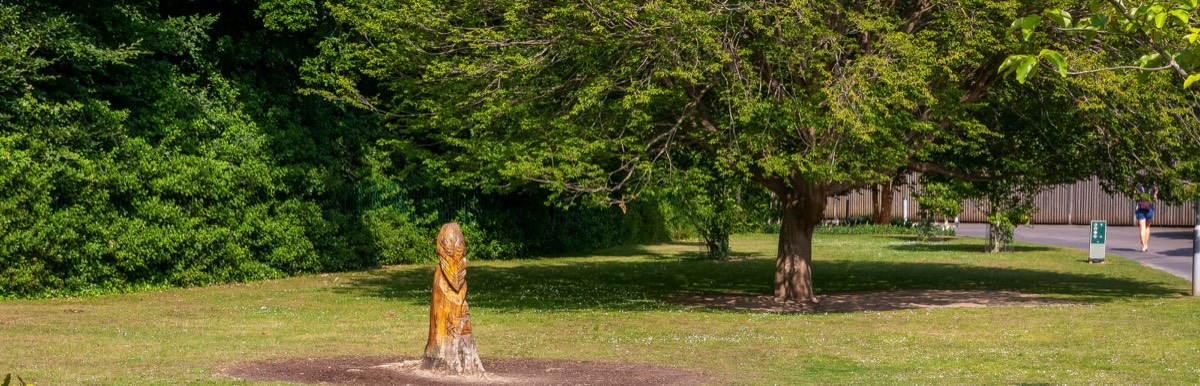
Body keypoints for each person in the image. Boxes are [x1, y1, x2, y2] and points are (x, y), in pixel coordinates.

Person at [1133, 184, 1157, 252]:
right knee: (1147, 227)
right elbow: (1155, 199)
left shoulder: (1138, 187)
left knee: (1142, 228)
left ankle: (1143, 246)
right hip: (1150, 209)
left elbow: (1134, 197)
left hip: (1140, 209)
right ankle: (1146, 244)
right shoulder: (1152, 187)